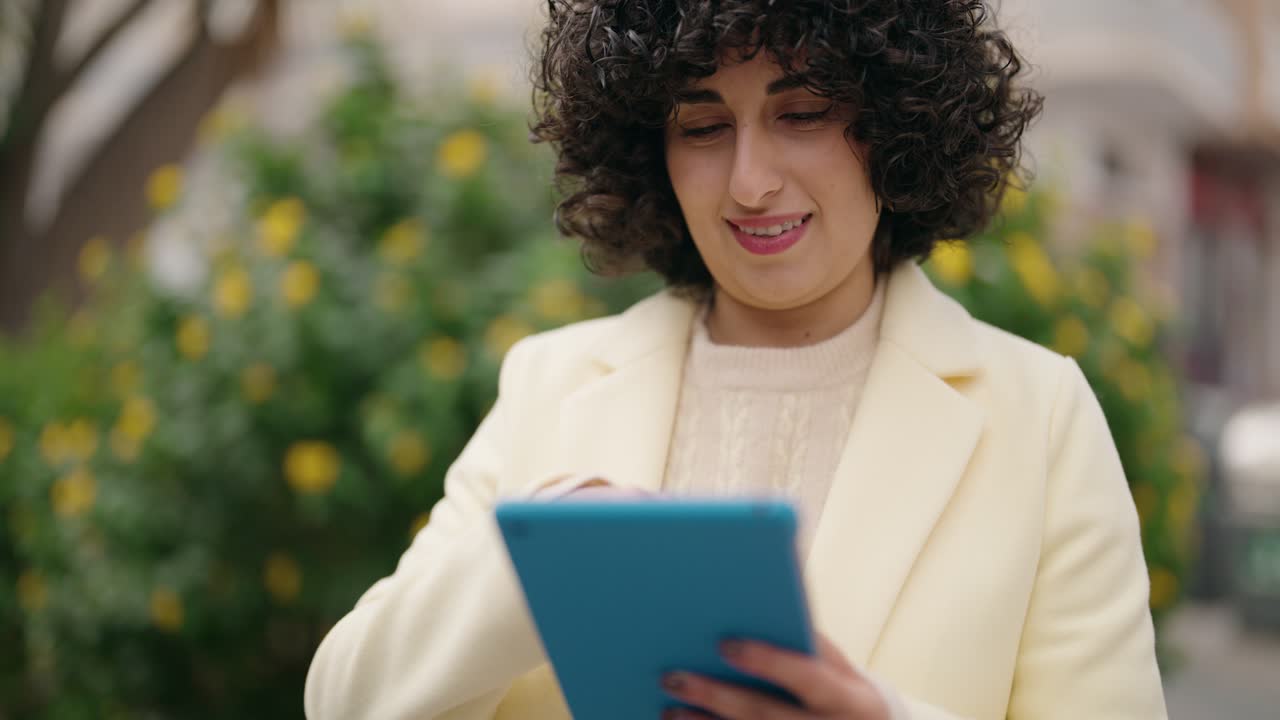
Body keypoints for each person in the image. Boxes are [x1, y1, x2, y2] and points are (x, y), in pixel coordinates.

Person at [305, 1, 1168, 718]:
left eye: (801, 114)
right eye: (705, 125)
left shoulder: (1039, 415)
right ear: (654, 151)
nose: (751, 180)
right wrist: (546, 556)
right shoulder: (550, 385)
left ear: (900, 126)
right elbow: (342, 698)